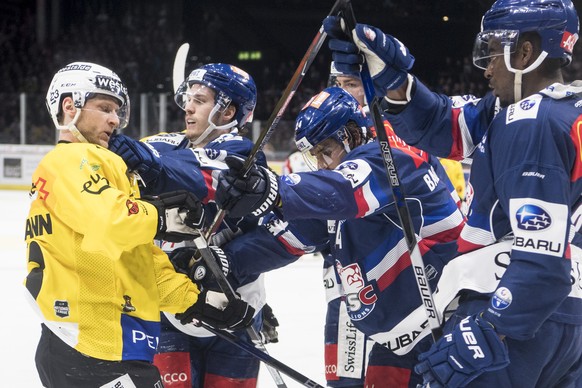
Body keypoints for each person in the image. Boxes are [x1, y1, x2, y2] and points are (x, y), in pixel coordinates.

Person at [324, 0, 582, 386]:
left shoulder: (529, 119)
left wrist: (491, 328)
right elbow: (446, 125)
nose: (487, 67)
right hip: (565, 321)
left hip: (512, 313)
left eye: (494, 52)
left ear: (525, 52)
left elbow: (541, 255)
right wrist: (393, 80)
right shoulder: (555, 111)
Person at [215, 86, 466, 387]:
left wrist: (272, 190)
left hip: (447, 326)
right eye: (314, 156)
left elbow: (345, 189)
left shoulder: (385, 160)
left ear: (353, 134)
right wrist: (223, 263)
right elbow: (286, 237)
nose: (321, 164)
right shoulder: (335, 194)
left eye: (325, 151)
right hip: (398, 340)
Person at [25, 62, 255, 388]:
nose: (114, 120)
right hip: (87, 347)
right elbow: (109, 220)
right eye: (104, 108)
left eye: (117, 111)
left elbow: (140, 264)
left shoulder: (107, 168)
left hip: (114, 346)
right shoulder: (67, 161)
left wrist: (196, 302)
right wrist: (161, 216)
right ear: (69, 106)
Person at [108, 63, 280, 387]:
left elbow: (191, 173)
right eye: (188, 98)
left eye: (199, 100)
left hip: (234, 309)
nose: (187, 106)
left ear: (227, 110)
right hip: (173, 310)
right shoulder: (168, 146)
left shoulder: (243, 158)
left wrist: (146, 159)